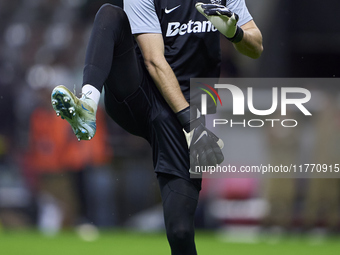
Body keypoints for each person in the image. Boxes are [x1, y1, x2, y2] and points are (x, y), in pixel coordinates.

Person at [51, 1, 263, 254]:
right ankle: (88, 104)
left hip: (186, 110)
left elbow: (256, 47)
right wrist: (193, 126)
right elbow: (153, 61)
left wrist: (234, 33)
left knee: (181, 231)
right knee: (110, 15)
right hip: (142, 97)